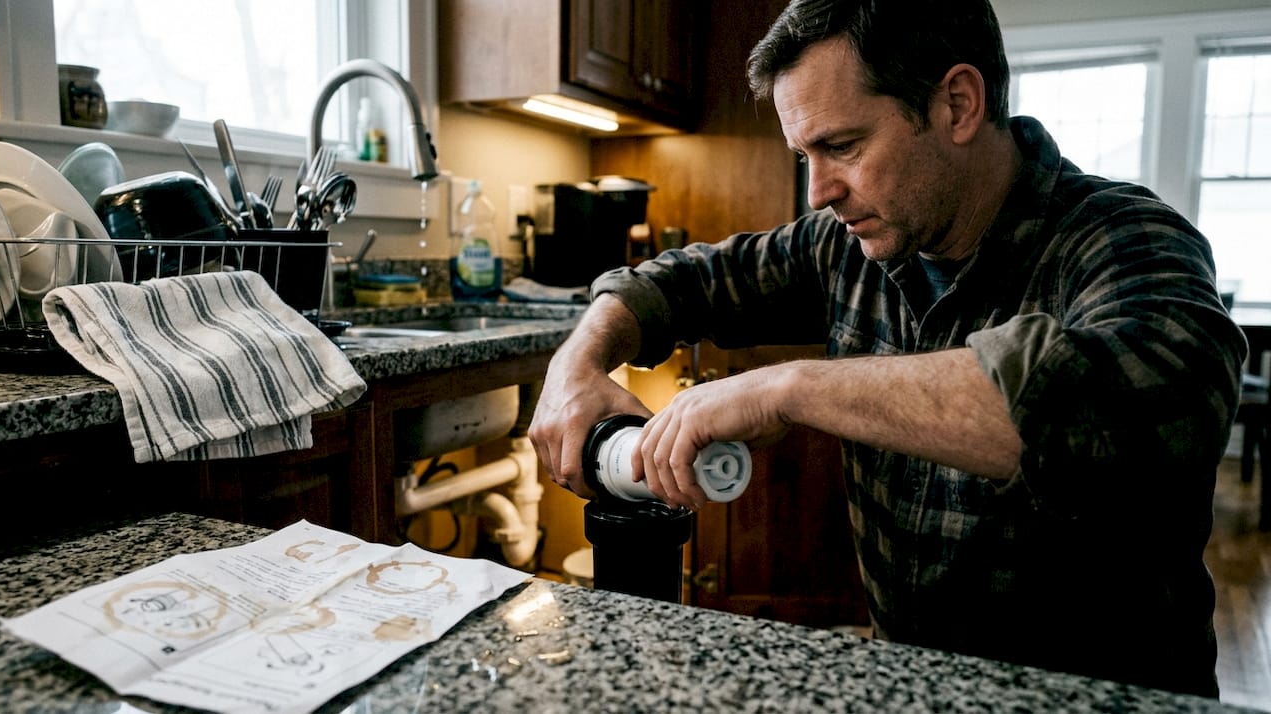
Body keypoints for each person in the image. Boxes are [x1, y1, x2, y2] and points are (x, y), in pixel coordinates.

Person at [527, 0, 1246, 699]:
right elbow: (680, 281)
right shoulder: (847, 242)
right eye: (804, 154)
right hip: (908, 683)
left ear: (958, 105)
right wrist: (576, 362)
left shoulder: (1125, 238)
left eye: (841, 146)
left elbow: (1143, 399)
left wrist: (790, 388)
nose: (818, 193)